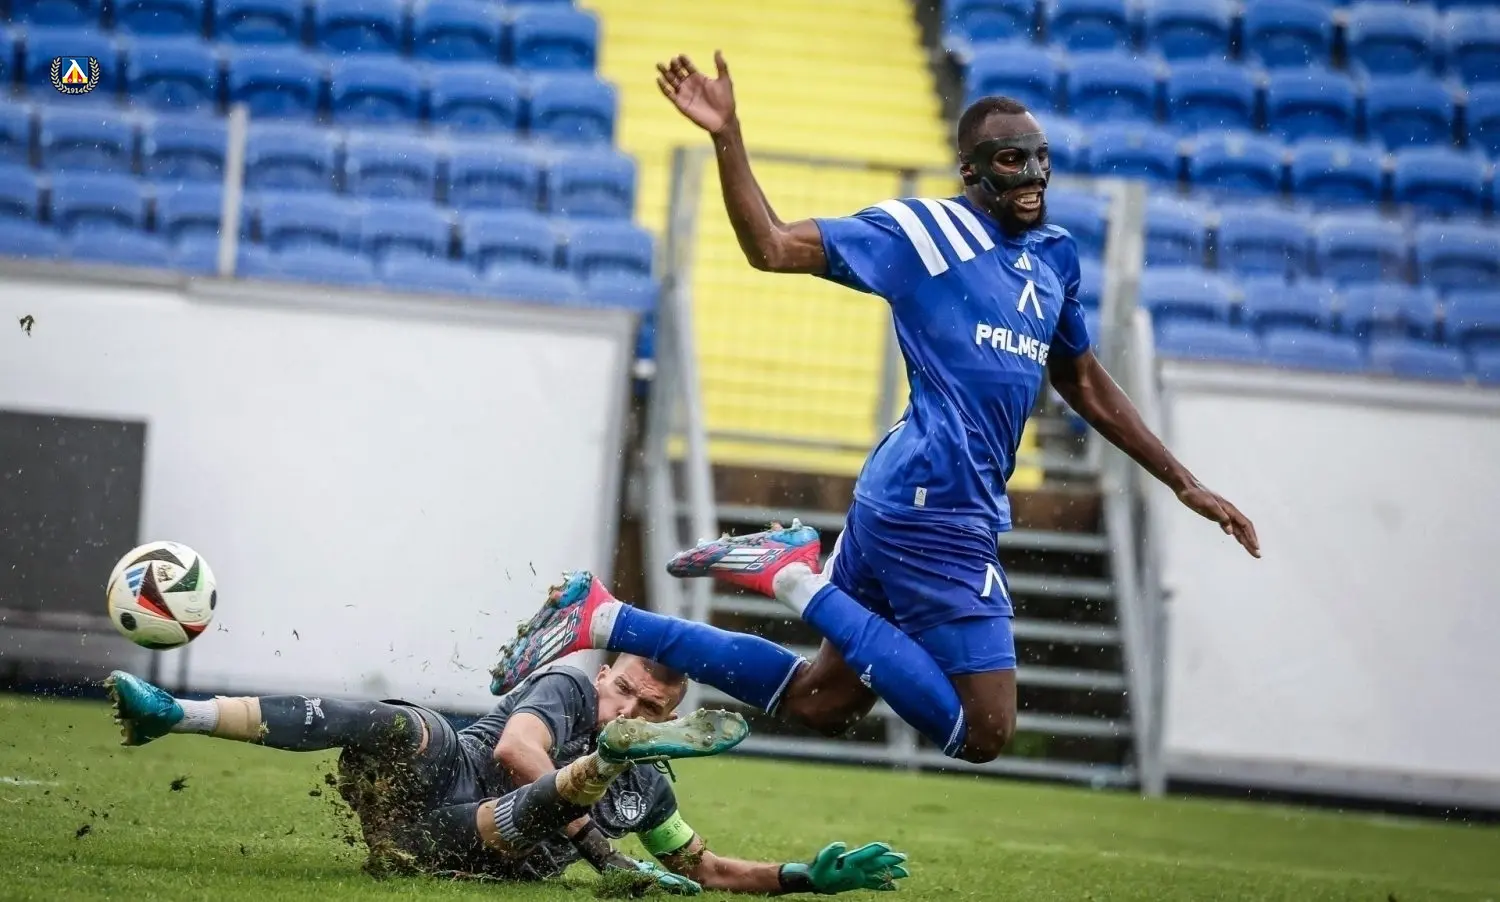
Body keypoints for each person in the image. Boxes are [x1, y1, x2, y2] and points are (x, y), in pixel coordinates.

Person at [489, 52, 1259, 766]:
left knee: (819, 701)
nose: (1032, 174)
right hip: (935, 506)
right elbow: (771, 246)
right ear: (970, 169)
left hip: (909, 496)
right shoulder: (922, 233)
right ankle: (794, 580)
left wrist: (1183, 481)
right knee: (984, 731)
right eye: (1010, 159)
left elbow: (1081, 379)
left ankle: (604, 618)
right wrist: (728, 135)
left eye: (1040, 157)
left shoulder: (1055, 255)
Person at [105, 657, 908, 895]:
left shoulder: (652, 789)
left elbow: (704, 868)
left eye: (649, 706)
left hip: (470, 843)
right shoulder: (569, 688)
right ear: (606, 675)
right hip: (437, 776)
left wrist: (804, 878)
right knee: (407, 723)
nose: (627, 702)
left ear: (671, 717)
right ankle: (176, 713)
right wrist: (604, 854)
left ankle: (598, 766)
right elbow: (519, 751)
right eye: (624, 690)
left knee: (520, 819)